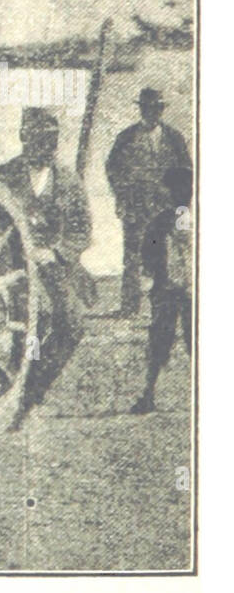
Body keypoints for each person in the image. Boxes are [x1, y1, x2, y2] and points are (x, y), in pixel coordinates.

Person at [0, 108, 92, 409]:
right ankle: (17, 391)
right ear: (24, 137)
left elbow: (82, 229)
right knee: (33, 323)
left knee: (72, 325)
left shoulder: (67, 181)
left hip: (57, 269)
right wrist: (19, 255)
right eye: (39, 139)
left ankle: (33, 386)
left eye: (52, 140)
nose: (47, 148)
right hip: (15, 270)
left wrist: (55, 252)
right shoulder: (3, 177)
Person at [105, 87, 192, 317]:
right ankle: (130, 306)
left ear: (162, 110)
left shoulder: (174, 138)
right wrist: (124, 195)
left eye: (157, 108)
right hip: (136, 206)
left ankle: (167, 305)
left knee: (169, 254)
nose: (152, 113)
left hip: (167, 207)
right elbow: (112, 169)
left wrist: (182, 207)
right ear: (141, 109)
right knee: (132, 255)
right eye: (148, 108)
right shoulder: (126, 138)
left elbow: (187, 171)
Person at [130, 167, 193, 414]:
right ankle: (148, 394)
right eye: (176, 189)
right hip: (167, 291)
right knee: (159, 342)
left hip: (190, 293)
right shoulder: (161, 220)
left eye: (185, 189)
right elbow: (147, 252)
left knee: (193, 341)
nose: (181, 193)